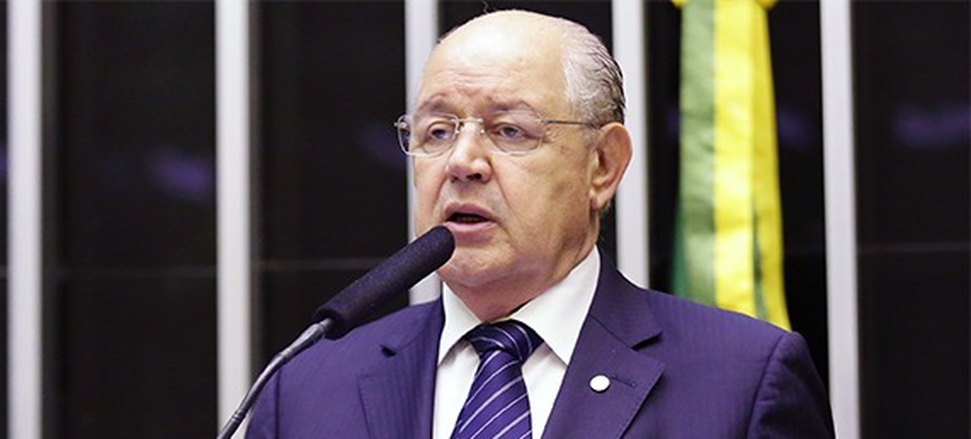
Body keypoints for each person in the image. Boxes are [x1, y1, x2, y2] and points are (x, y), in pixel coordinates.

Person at [246, 10, 834, 439]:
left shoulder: (742, 381)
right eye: (437, 132)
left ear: (602, 166)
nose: (462, 162)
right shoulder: (306, 389)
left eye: (509, 131)